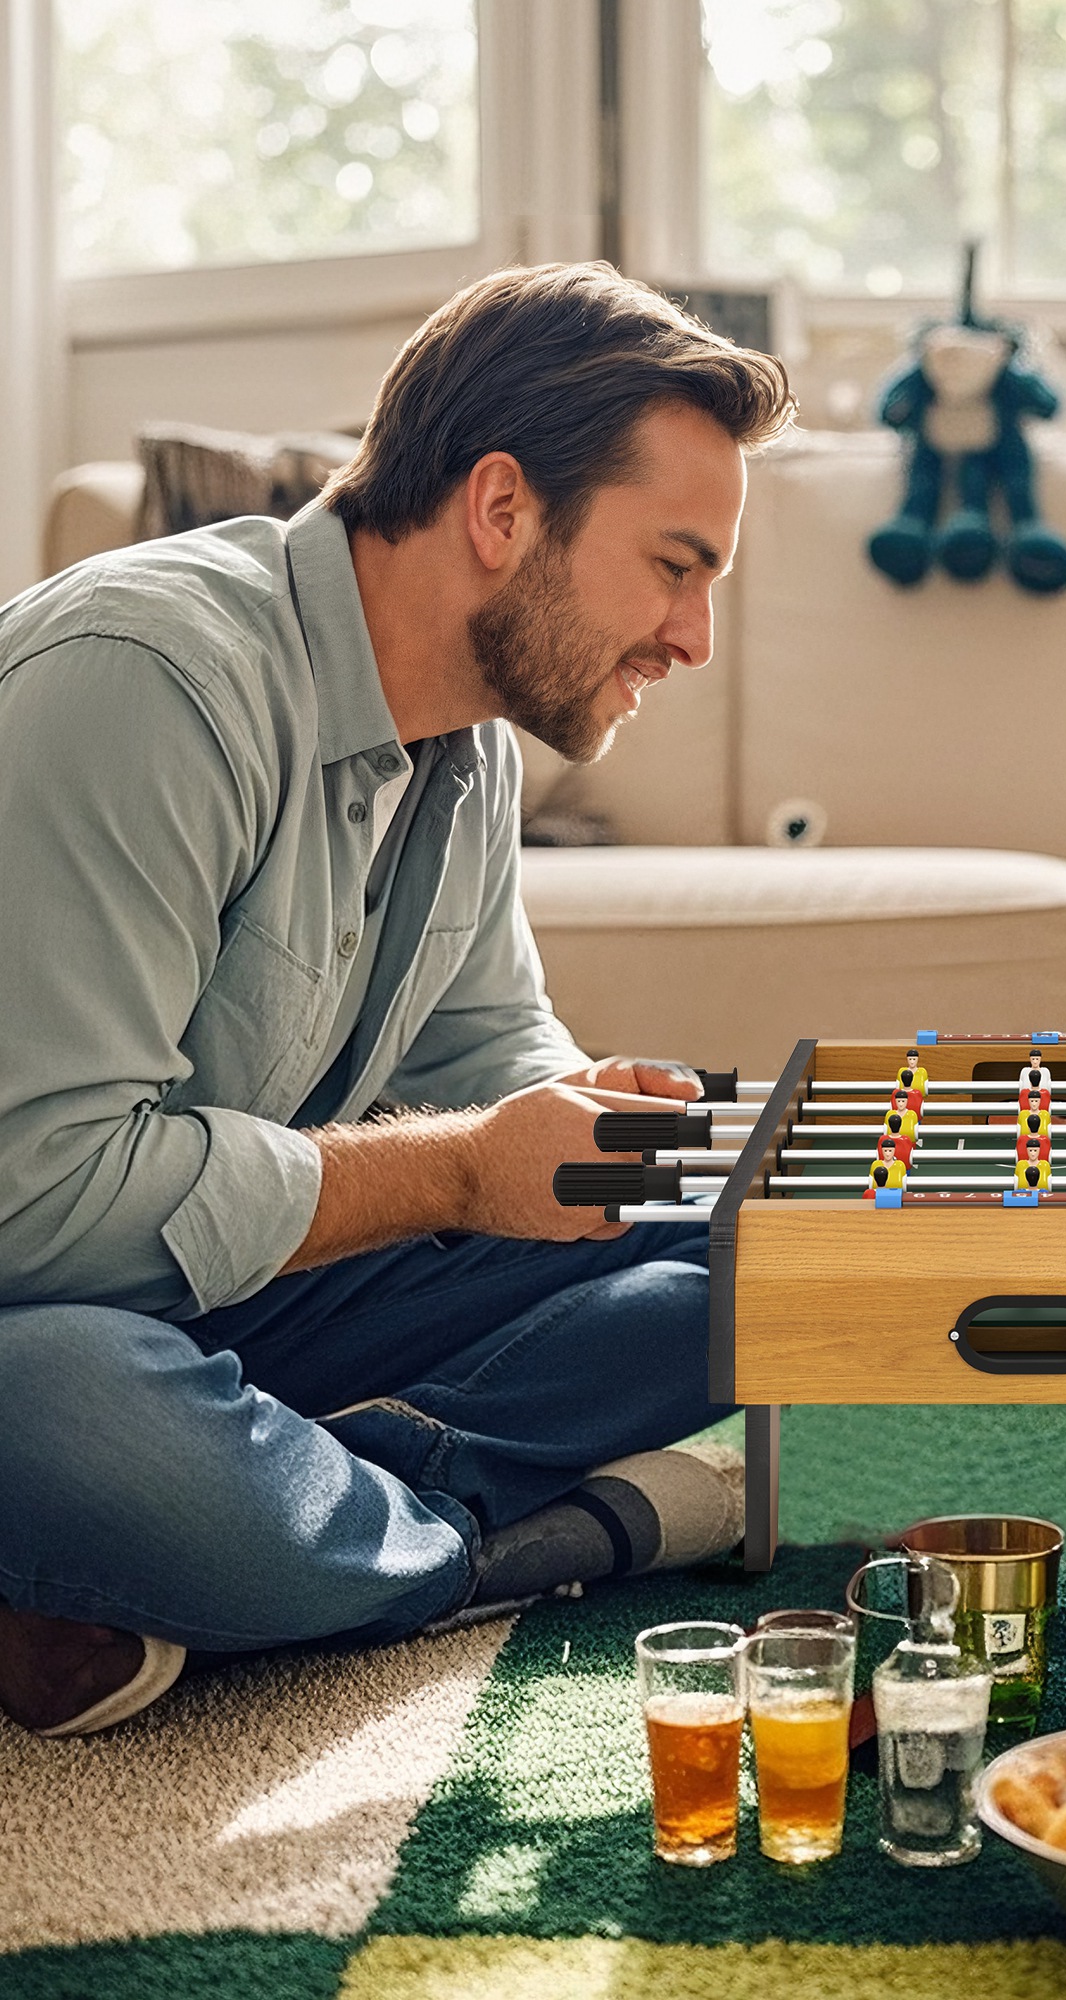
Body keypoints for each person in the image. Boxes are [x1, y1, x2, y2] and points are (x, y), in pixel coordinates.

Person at [0, 262, 795, 1737]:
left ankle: (316, 1511)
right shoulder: (150, 681)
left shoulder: (469, 747)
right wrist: (460, 1168)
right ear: (502, 511)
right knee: (66, 1418)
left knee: (767, 1228)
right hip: (46, 1318)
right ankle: (565, 1531)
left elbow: (490, 1057)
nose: (693, 639)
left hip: (238, 1302)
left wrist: (590, 1132)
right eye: (674, 566)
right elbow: (34, 1199)